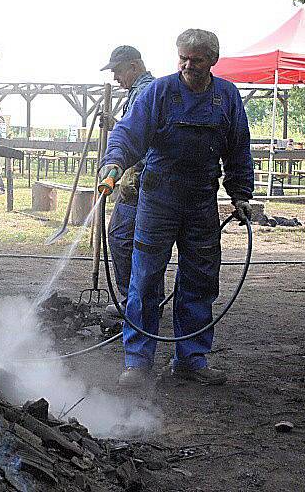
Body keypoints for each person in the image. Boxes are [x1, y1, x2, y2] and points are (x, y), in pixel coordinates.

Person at [99, 29, 253, 388]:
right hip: (157, 199)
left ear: (213, 60)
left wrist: (241, 193)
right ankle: (137, 363)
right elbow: (128, 133)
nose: (187, 65)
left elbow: (238, 149)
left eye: (196, 59)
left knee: (199, 280)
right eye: (182, 57)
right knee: (145, 279)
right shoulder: (160, 92)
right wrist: (114, 163)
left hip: (201, 201)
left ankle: (191, 358)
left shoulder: (226, 97)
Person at [98, 46, 160, 318]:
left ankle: (134, 302)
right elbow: (136, 131)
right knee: (141, 242)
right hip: (143, 177)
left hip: (141, 180)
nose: (115, 78)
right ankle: (148, 302)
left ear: (135, 66)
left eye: (118, 71)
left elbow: (144, 140)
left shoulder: (145, 92)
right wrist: (115, 124)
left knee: (121, 237)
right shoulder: (143, 92)